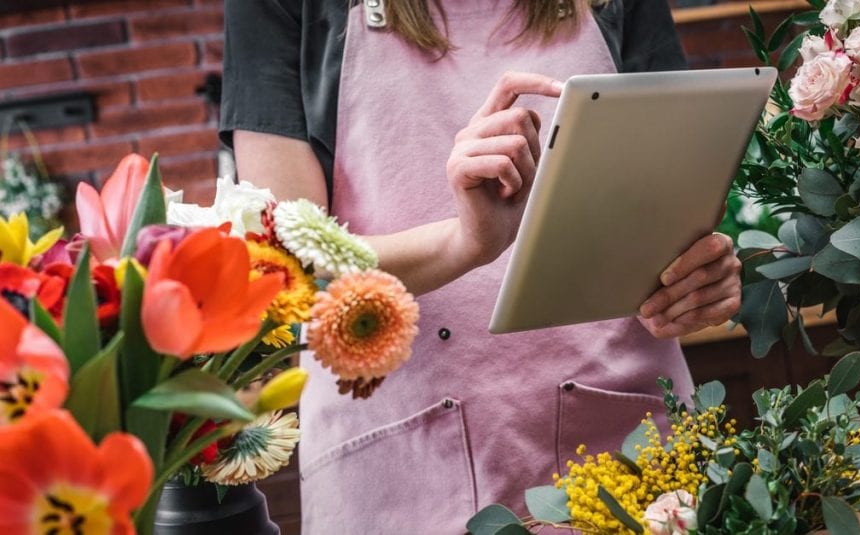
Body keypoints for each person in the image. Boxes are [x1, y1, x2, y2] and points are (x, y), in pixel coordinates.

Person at [220, 0, 742, 532]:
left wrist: (695, 277)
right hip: (406, 468)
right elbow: (286, 268)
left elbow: (671, 195)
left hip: (627, 442)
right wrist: (463, 243)